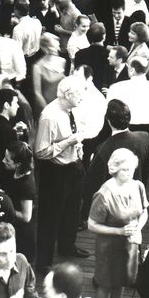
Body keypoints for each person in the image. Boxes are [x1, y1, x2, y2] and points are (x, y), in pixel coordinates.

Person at [87, 148, 148, 298]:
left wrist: (138, 227)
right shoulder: (104, 194)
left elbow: (145, 211)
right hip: (109, 245)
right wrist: (119, 232)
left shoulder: (138, 186)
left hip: (129, 244)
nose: (129, 174)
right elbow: (91, 225)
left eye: (131, 169)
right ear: (114, 169)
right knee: (105, 284)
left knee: (122, 280)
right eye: (124, 170)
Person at [34, 76, 90, 270]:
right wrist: (69, 143)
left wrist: (78, 147)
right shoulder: (50, 116)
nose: (83, 97)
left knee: (72, 210)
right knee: (51, 216)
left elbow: (73, 133)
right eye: (80, 93)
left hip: (73, 166)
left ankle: (67, 245)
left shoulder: (70, 110)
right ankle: (43, 262)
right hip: (55, 172)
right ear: (67, 94)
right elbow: (41, 152)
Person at [1, 141, 37, 264]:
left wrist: (5, 207)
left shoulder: (26, 186)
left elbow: (26, 217)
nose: (3, 161)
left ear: (18, 164)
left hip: (21, 234)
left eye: (7, 160)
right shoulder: (16, 172)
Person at [29, 31, 66, 117]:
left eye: (56, 46)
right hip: (45, 106)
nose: (55, 50)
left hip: (61, 105)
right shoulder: (37, 66)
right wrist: (48, 111)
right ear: (45, 48)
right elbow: (37, 93)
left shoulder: (62, 61)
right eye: (51, 47)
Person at [72, 21, 109, 90]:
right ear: (104, 37)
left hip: (82, 89)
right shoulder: (109, 55)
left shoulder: (79, 54)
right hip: (101, 91)